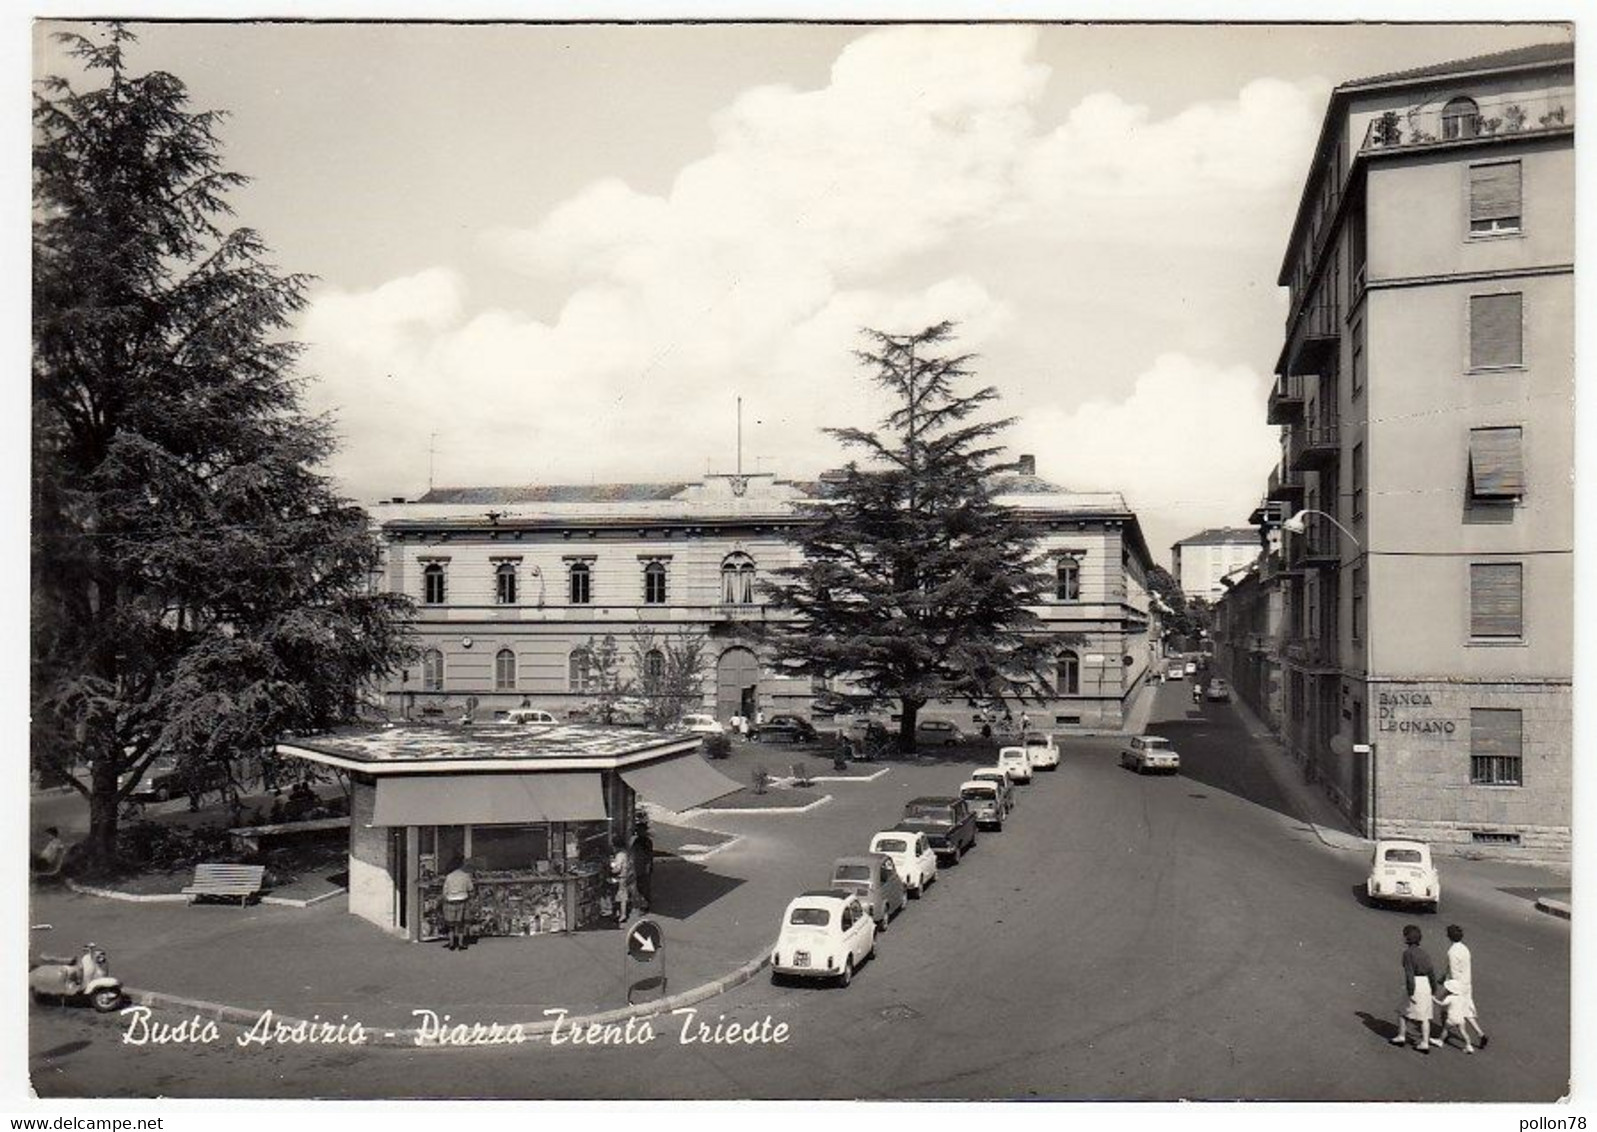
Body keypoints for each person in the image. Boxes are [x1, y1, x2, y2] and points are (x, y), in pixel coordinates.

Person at [1434, 923, 1489, 1053]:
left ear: (1449, 936)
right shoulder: (1465, 948)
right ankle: (1480, 1034)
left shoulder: (1452, 952)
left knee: (1444, 1007)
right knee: (1466, 1010)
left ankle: (1444, 1033)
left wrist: (1449, 988)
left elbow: (1453, 972)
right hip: (1466, 984)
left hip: (1456, 985)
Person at [1393, 924, 1440, 1052]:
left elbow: (1409, 974)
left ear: (1407, 938)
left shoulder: (1408, 953)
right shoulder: (1424, 953)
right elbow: (1431, 972)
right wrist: (1433, 989)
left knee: (1403, 1012)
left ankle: (1401, 1036)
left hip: (1415, 983)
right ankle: (1425, 1042)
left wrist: (1410, 992)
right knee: (1425, 1017)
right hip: (1426, 984)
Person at [441, 860, 474, 951]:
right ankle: (460, 943)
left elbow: (445, 890)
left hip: (451, 900)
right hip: (462, 899)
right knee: (461, 924)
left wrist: (446, 898)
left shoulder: (449, 876)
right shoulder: (465, 876)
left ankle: (451, 943)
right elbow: (470, 888)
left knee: (451, 924)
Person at [632, 821, 655, 914]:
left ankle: (645, 905)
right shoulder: (638, 840)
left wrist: (647, 868)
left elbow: (649, 856)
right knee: (639, 886)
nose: (638, 832)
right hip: (638, 867)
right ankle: (643, 903)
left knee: (644, 887)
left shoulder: (646, 842)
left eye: (639, 830)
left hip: (644, 867)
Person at [610, 840, 635, 924]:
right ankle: (621, 913)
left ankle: (622, 915)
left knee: (621, 896)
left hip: (621, 877)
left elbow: (618, 868)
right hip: (627, 876)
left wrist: (611, 870)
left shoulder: (619, 855)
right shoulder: (626, 854)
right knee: (622, 896)